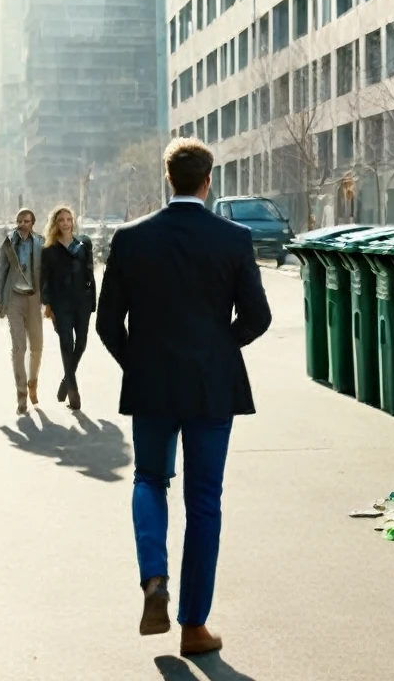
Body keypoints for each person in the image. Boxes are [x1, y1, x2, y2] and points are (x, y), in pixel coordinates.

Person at [96, 138, 272, 657]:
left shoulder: (130, 239)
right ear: (208, 180)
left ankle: (154, 579)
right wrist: (219, 349)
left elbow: (107, 323)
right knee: (204, 500)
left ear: (166, 179)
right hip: (212, 387)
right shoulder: (234, 238)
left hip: (152, 385)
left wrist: (141, 362)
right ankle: (194, 626)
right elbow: (257, 317)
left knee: (150, 479)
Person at [40, 206, 96, 411]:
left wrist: (92, 300)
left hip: (82, 301)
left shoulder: (84, 244)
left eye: (68, 219)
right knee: (66, 342)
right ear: (55, 224)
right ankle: (73, 390)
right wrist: (47, 304)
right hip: (60, 303)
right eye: (61, 220)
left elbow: (89, 271)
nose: (65, 223)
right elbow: (44, 280)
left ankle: (66, 379)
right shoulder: (49, 250)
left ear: (73, 222)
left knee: (81, 342)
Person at [0, 209, 45, 415]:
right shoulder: (8, 243)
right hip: (14, 298)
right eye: (20, 221)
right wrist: (1, 300)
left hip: (34, 298)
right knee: (18, 349)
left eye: (27, 221)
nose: (23, 224)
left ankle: (33, 382)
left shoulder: (41, 242)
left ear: (33, 223)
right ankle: (21, 396)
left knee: (37, 347)